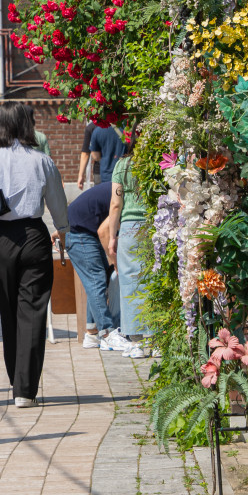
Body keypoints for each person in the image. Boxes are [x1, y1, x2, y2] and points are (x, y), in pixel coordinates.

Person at [0, 101, 67, 407]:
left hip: (1, 237)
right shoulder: (43, 160)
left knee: (9, 309)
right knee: (33, 311)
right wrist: (62, 231)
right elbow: (58, 206)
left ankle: (16, 379)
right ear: (27, 125)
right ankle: (25, 389)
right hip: (35, 235)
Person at [107, 131, 152, 359]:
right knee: (152, 279)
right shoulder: (156, 163)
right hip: (156, 226)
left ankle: (136, 341)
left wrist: (112, 237)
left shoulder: (122, 165)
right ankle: (156, 337)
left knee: (130, 282)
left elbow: (116, 203)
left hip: (131, 227)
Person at [65, 181, 124, 350]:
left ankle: (92, 333)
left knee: (97, 281)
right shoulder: (122, 195)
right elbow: (104, 232)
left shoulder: (117, 187)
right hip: (80, 233)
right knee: (96, 280)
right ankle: (107, 333)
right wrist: (116, 263)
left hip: (79, 229)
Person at [77, 122, 96, 190]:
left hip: (100, 171)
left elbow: (85, 153)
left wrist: (81, 176)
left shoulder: (91, 128)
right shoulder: (120, 124)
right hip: (120, 168)